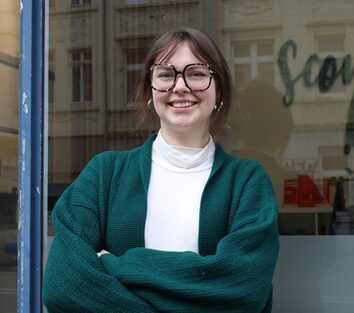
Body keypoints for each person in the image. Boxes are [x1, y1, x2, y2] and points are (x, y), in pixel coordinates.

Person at [42, 27, 280, 313]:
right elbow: (62, 285)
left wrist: (114, 265)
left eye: (197, 73)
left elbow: (244, 289)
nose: (180, 86)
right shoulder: (104, 174)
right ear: (148, 92)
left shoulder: (247, 182)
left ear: (218, 93)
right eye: (166, 74)